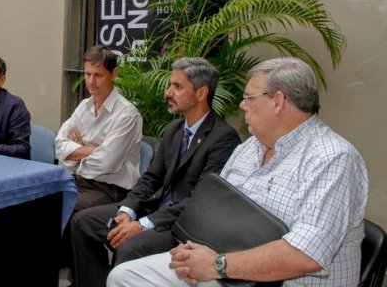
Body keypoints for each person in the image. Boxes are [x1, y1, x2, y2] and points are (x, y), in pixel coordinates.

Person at [107, 57, 369, 287]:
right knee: (123, 277)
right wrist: (193, 251)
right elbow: (213, 209)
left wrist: (217, 265)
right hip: (226, 270)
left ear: (278, 101)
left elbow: (306, 255)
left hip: (279, 281)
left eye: (249, 98)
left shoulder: (332, 159)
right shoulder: (249, 148)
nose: (242, 106)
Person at [71, 57, 241, 287]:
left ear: (201, 93)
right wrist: (128, 211)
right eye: (171, 85)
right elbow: (151, 178)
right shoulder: (174, 129)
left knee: (130, 245)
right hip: (154, 209)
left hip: (184, 224)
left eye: (177, 87)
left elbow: (201, 200)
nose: (168, 93)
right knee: (84, 223)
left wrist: (142, 225)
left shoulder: (223, 138)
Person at [56, 45, 143, 211]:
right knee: (37, 197)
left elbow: (104, 164)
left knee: (59, 206)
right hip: (80, 181)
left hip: (111, 189)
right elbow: (59, 145)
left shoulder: (127, 114)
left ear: (114, 74)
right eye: (87, 74)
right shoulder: (83, 106)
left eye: (98, 75)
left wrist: (74, 155)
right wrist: (90, 150)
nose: (91, 81)